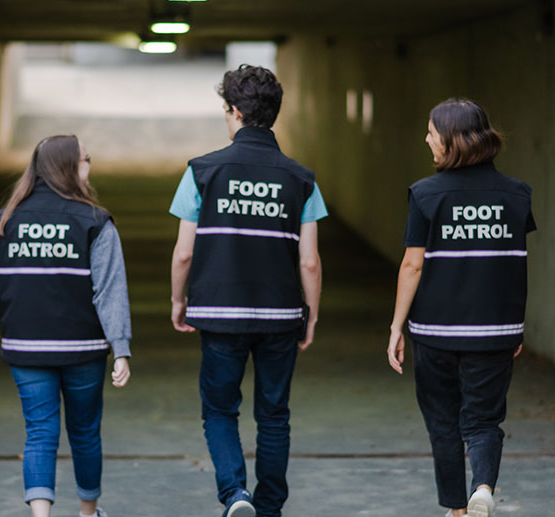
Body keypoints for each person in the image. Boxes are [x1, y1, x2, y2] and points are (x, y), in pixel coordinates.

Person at [169, 64, 328, 517]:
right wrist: (310, 314)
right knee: (274, 414)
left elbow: (184, 254)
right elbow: (310, 260)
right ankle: (270, 506)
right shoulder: (301, 178)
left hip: (218, 313)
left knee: (220, 409)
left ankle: (236, 495)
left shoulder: (202, 171)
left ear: (235, 112)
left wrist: (180, 302)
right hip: (280, 316)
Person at [387, 99, 536, 517]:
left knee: (443, 423)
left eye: (432, 133)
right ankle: (483, 489)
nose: (427, 139)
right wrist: (515, 328)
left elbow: (412, 264)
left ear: (451, 140)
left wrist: (397, 326)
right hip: (495, 330)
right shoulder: (517, 194)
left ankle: (456, 509)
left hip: (435, 331)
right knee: (485, 420)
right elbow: (511, 262)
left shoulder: (425, 194)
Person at [0, 135, 132, 517]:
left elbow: (3, 282)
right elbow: (109, 290)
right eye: (86, 159)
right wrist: (120, 349)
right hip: (81, 347)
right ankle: (88, 514)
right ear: (69, 166)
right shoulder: (94, 221)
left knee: (39, 433)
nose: (90, 166)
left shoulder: (6, 220)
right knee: (84, 433)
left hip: (26, 345)